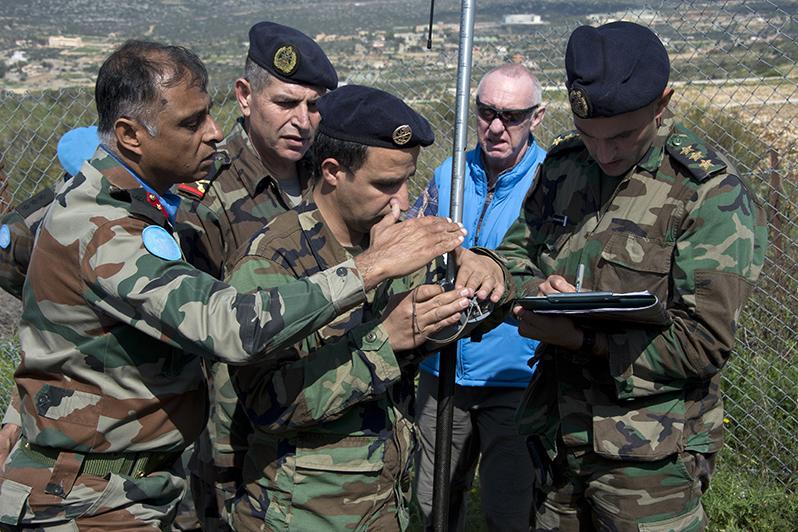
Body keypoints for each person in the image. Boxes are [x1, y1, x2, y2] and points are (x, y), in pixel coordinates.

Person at [0, 40, 467, 530]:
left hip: (126, 485)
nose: (214, 131)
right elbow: (229, 326)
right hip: (88, 498)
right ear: (130, 135)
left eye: (207, 113)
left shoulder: (133, 201)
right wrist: (368, 269)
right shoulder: (107, 226)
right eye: (191, 123)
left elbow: (57, 324)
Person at [477, 21, 767, 530]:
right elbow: (512, 261)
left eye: (622, 136)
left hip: (648, 460)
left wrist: (582, 339)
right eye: (589, 135)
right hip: (554, 440)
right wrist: (533, 292)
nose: (604, 154)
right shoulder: (565, 168)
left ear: (662, 104)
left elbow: (703, 343)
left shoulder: (708, 194)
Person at [225, 85, 498, 531]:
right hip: (301, 516)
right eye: (386, 185)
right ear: (333, 172)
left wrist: (484, 268)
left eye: (407, 181)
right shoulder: (273, 261)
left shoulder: (397, 243)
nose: (403, 201)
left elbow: (476, 309)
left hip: (386, 509)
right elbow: (266, 404)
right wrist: (384, 341)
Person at [175, 21, 338, 530]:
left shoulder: (328, 176)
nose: (302, 121)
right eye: (286, 103)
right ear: (245, 97)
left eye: (313, 106)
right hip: (234, 440)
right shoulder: (207, 195)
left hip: (321, 410)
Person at [409, 63, 547, 531]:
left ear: (537, 117)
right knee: (432, 502)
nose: (496, 127)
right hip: (442, 366)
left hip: (516, 374)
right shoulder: (450, 173)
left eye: (512, 116)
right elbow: (414, 241)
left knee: (509, 510)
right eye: (486, 112)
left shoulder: (550, 181)